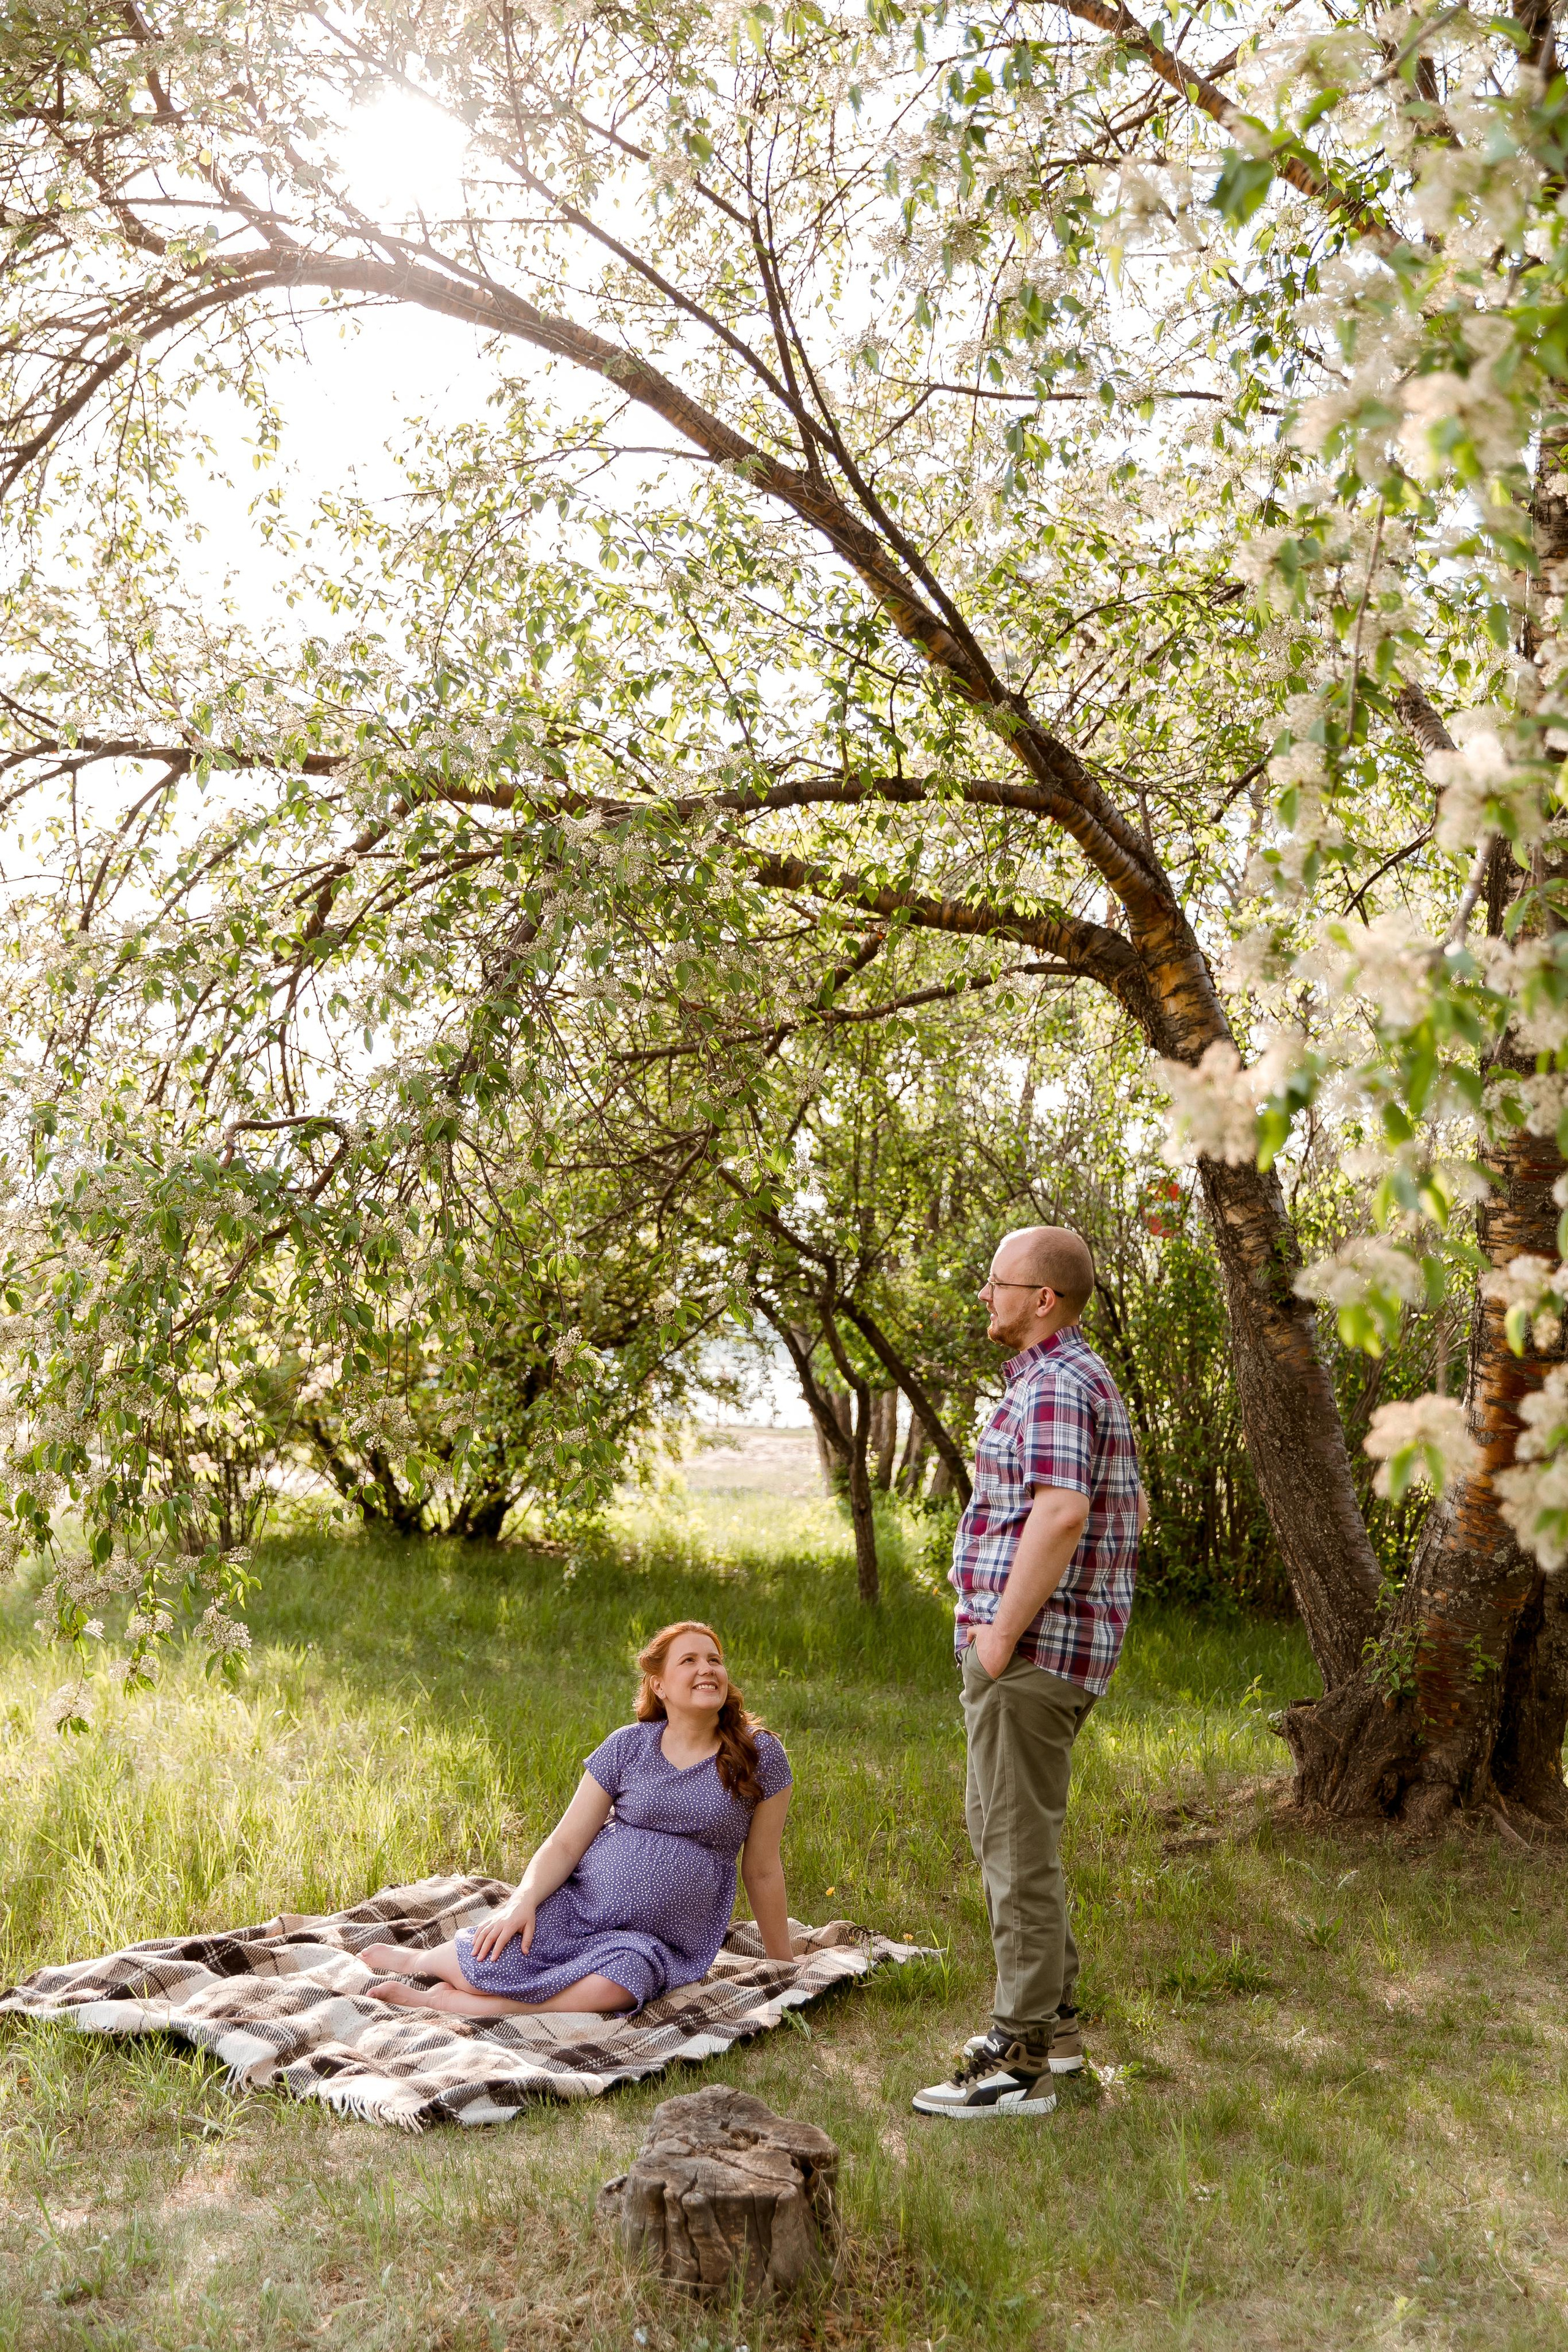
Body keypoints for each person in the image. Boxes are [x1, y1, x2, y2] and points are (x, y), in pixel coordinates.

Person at [913, 1224, 1147, 2119]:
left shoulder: (1056, 1384)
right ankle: (1060, 2029)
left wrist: (1000, 1638)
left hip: (1034, 1653)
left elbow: (1060, 1516)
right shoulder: (1066, 1379)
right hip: (1044, 1650)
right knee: (1011, 1838)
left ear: (1042, 1299)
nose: (985, 1294)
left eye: (997, 1281)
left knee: (1015, 1851)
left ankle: (1020, 2065)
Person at [361, 1621, 794, 2018]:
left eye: (714, 1660)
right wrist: (523, 1900)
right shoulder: (628, 1745)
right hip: (579, 1908)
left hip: (654, 1939)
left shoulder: (759, 1756)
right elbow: (566, 1843)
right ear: (658, 1684)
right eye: (690, 1660)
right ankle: (417, 1962)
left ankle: (473, 2007)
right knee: (488, 1954)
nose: (708, 1669)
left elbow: (762, 1868)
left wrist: (782, 1966)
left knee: (622, 1986)